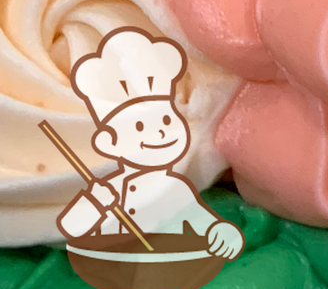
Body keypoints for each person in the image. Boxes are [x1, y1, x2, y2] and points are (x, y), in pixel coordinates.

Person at [55, 27, 243, 258]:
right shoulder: (107, 190)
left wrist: (220, 233)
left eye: (166, 120)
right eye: (140, 127)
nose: (162, 133)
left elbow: (205, 223)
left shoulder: (176, 186)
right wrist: (95, 200)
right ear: (108, 143)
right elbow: (67, 224)